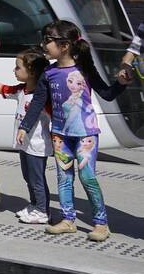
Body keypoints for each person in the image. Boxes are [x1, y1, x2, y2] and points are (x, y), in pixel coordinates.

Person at [26, 21, 130, 241]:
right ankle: (68, 220)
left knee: (87, 176)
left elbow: (107, 94)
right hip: (60, 135)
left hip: (86, 135)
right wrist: (24, 126)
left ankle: (101, 224)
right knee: (64, 177)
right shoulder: (49, 72)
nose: (44, 44)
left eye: (48, 39)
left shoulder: (84, 69)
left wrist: (120, 83)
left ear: (64, 45)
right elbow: (37, 101)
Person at [0, 48, 53, 224]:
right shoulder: (21, 90)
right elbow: (3, 89)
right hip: (24, 145)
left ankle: (43, 210)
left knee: (37, 178)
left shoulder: (43, 98)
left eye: (18, 67)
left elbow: (55, 115)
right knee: (28, 177)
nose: (14, 70)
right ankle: (34, 205)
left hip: (38, 146)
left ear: (31, 71)